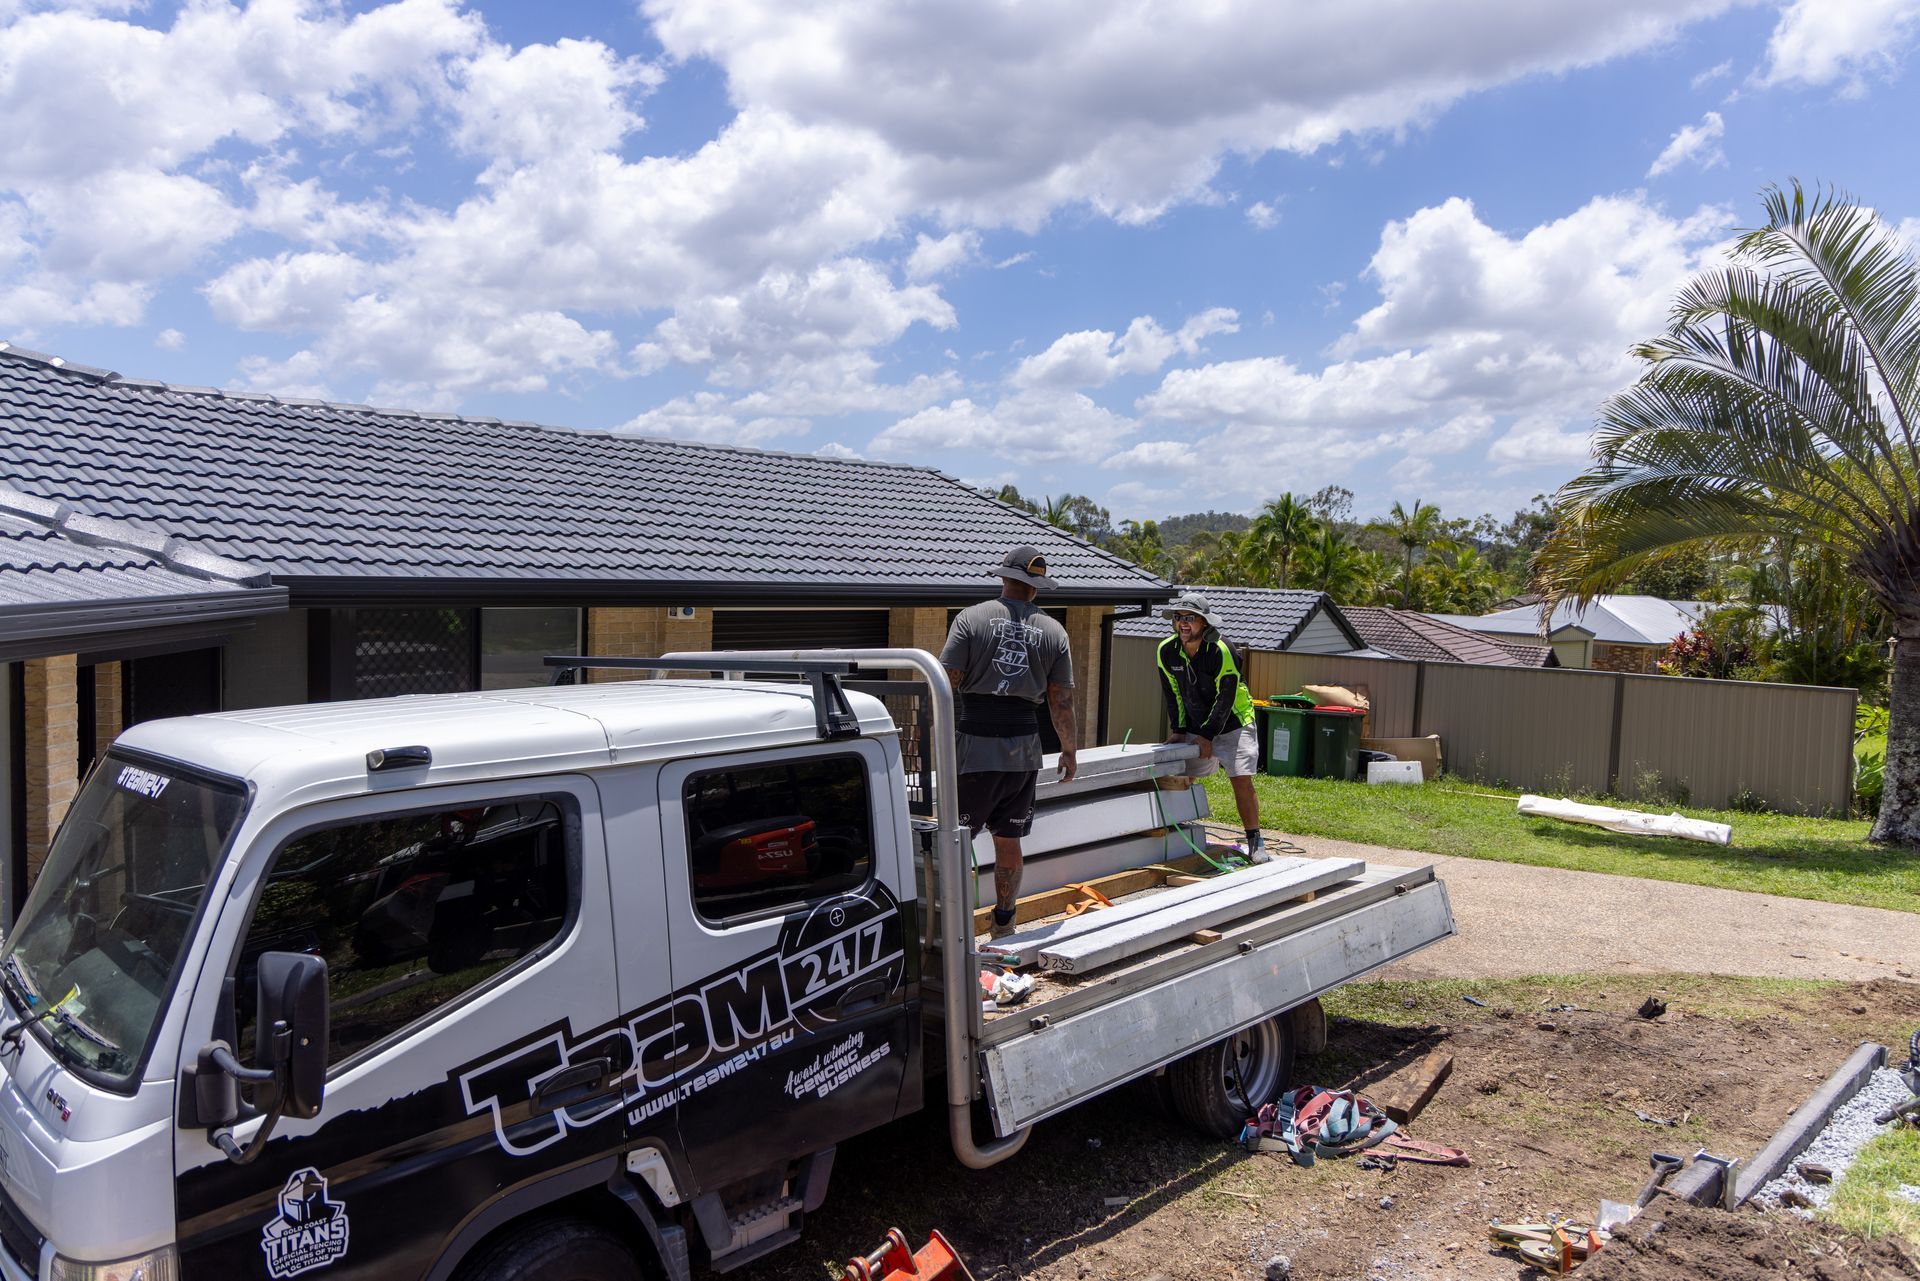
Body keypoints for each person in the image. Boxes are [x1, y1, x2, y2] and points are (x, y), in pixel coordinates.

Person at [941, 545, 1078, 937]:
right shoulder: (1054, 631)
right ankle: (1004, 922)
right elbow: (1061, 699)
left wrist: (933, 742)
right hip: (1024, 752)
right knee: (1009, 840)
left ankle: (953, 930)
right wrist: (1068, 750)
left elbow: (945, 683)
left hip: (975, 748)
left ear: (1004, 577)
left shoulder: (971, 619)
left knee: (957, 842)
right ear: (1035, 587)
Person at [1153, 591, 1266, 860]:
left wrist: (1206, 736)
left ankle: (1255, 840)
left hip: (1234, 723)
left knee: (1240, 778)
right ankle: (1179, 832)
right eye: (1178, 618)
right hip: (1196, 722)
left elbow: (1225, 699)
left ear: (1204, 622)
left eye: (1190, 618)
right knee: (1180, 772)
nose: (1183, 623)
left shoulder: (1222, 650)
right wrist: (1180, 730)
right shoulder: (1166, 651)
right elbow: (1173, 694)